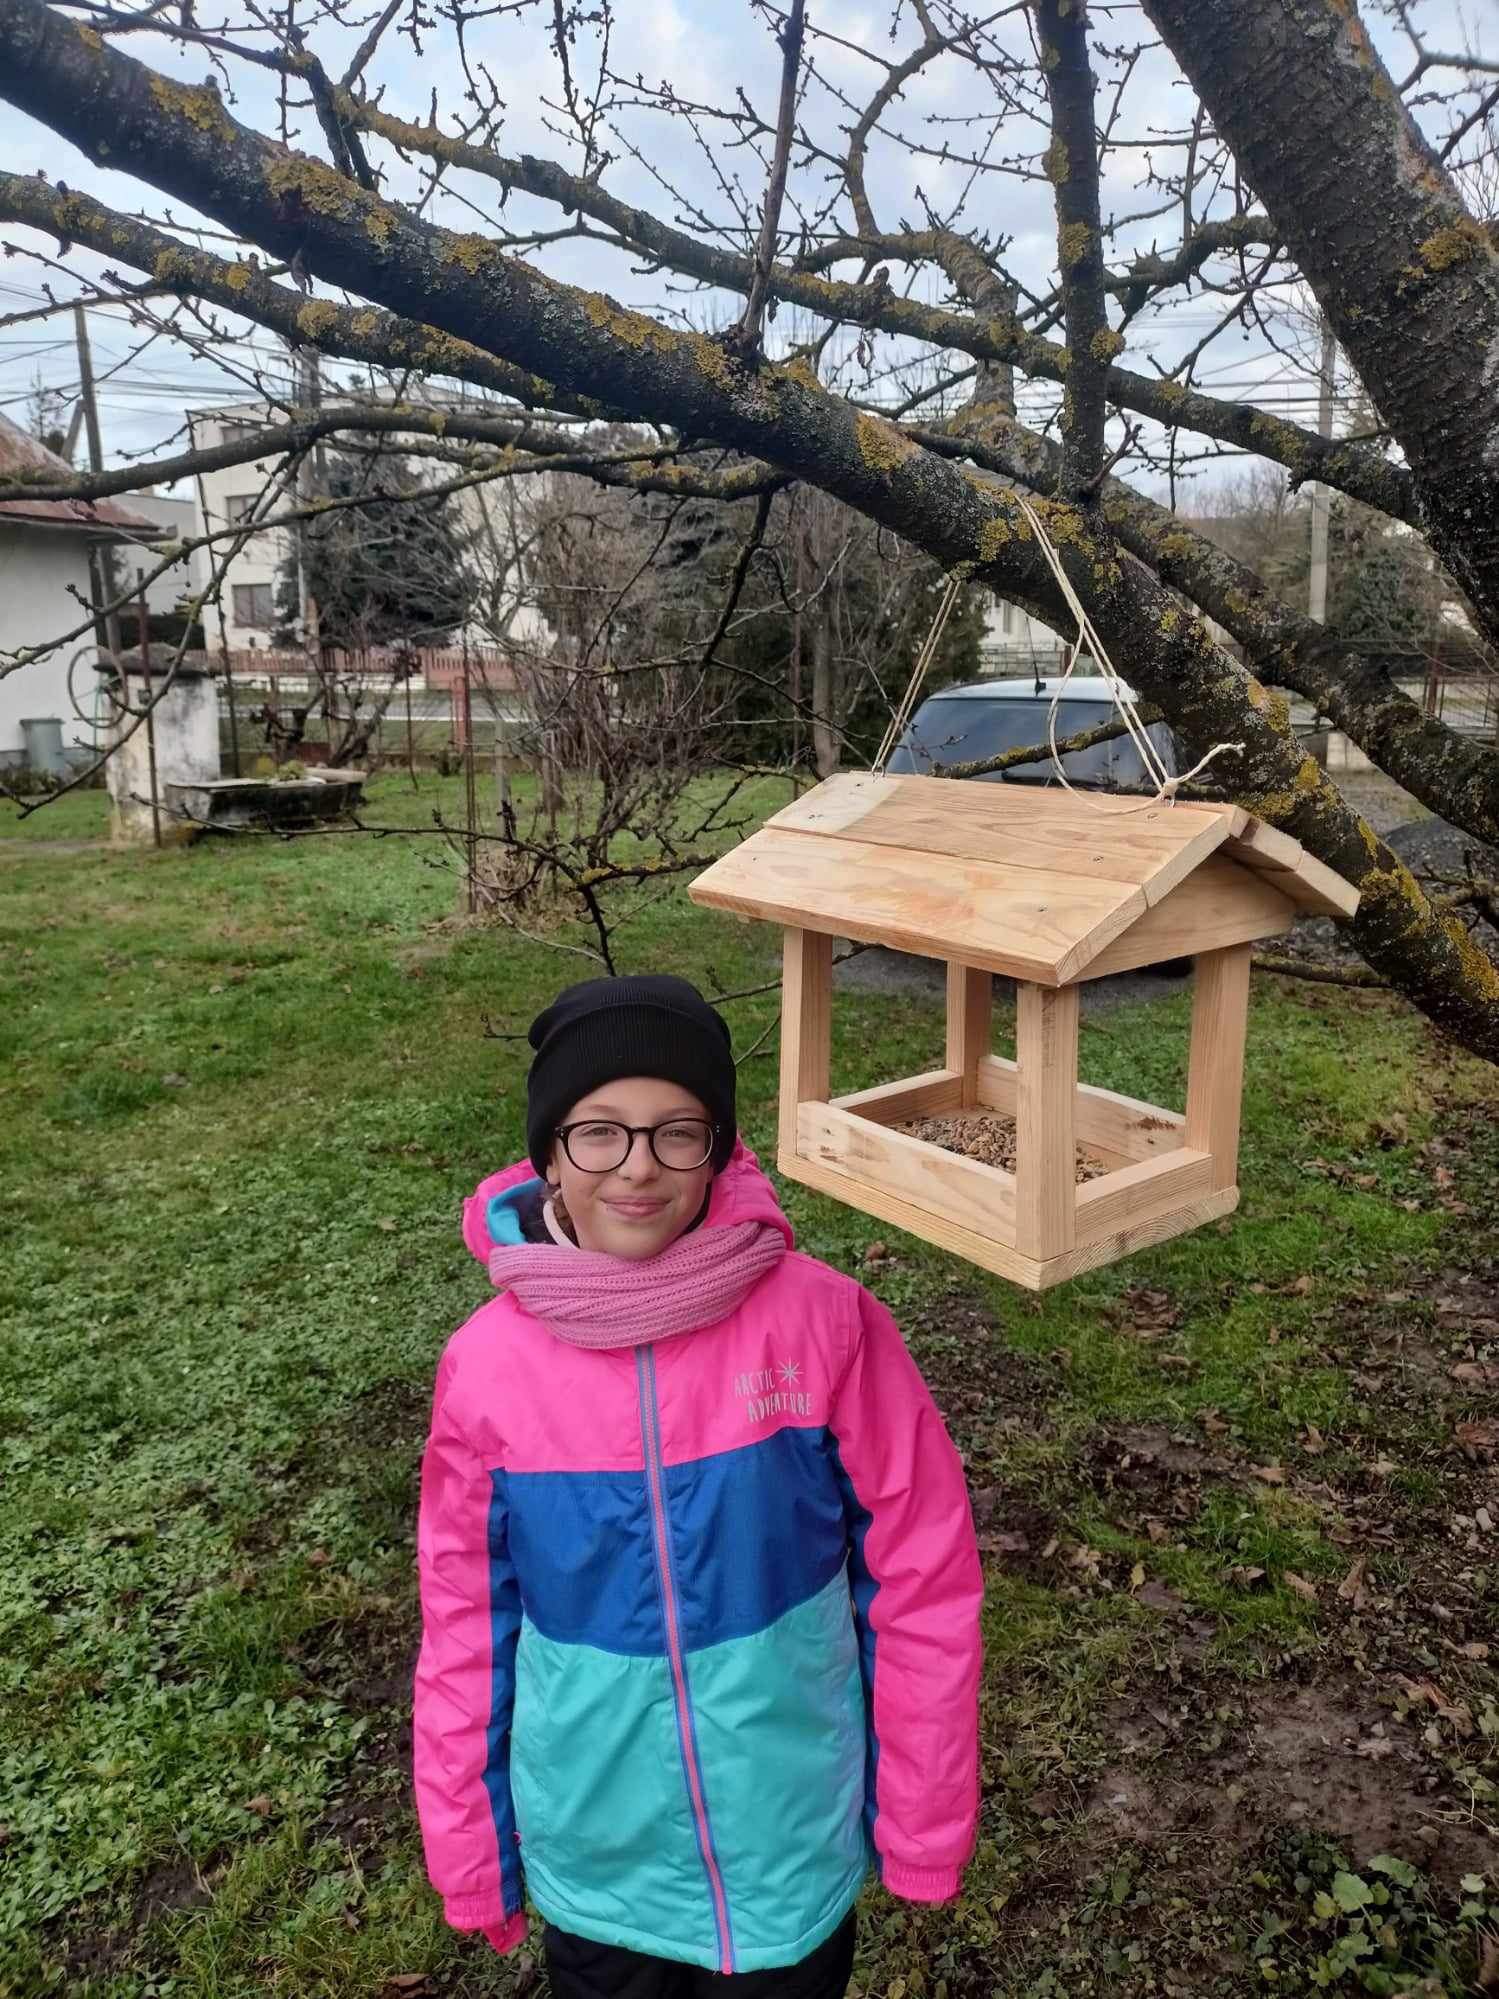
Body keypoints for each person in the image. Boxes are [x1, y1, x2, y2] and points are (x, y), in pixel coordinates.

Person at [413, 973, 982, 1998]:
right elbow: (464, 1624)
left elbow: (923, 1580)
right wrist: (471, 1846)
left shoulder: (826, 1324)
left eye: (677, 1132)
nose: (638, 1166)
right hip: (595, 1853)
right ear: (549, 1151)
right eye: (599, 1131)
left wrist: (922, 1814)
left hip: (787, 1844)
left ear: (717, 1149)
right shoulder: (485, 1367)